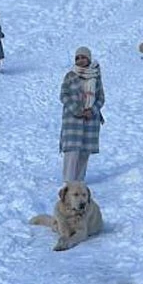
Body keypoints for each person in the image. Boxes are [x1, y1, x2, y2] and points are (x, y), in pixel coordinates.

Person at [59, 47, 105, 183]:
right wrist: (78, 110)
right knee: (72, 151)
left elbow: (101, 98)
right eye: (77, 58)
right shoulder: (70, 76)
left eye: (83, 57)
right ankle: (68, 182)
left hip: (91, 120)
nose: (80, 60)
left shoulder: (96, 77)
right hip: (72, 120)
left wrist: (92, 110)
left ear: (89, 59)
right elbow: (63, 95)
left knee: (84, 152)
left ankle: (79, 182)